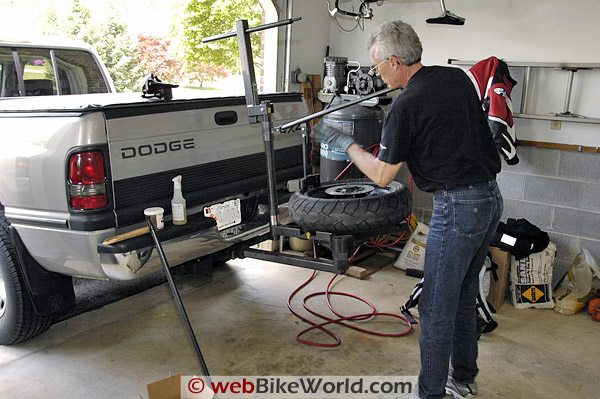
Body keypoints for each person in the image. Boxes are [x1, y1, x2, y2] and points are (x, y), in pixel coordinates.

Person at [312, 20, 503, 399]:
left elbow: (382, 176)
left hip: (458, 207)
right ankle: (464, 379)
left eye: (377, 66)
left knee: (434, 306)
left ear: (395, 61)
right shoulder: (456, 78)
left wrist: (348, 145)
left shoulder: (405, 106)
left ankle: (429, 393)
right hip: (490, 199)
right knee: (464, 294)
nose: (376, 75)